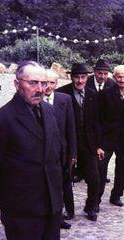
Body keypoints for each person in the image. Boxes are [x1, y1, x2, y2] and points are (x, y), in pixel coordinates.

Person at [0, 61, 63, 240]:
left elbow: (56, 151)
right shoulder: (2, 119)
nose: (40, 89)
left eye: (43, 83)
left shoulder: (49, 112)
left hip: (52, 202)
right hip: (22, 208)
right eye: (33, 83)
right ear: (17, 84)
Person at [56, 63, 103, 221]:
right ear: (71, 77)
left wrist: (98, 145)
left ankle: (91, 207)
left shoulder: (93, 94)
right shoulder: (61, 93)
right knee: (67, 179)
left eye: (83, 77)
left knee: (94, 178)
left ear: (87, 78)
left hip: (88, 144)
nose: (80, 80)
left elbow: (97, 122)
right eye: (76, 77)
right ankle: (69, 210)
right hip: (68, 144)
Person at [98, 65, 124, 207]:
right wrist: (98, 142)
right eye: (119, 76)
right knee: (101, 169)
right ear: (114, 77)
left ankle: (116, 196)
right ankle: (95, 199)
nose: (122, 79)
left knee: (122, 168)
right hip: (107, 138)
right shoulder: (105, 94)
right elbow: (98, 119)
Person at [45, 69, 77, 229]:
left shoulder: (64, 99)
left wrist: (73, 153)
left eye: (52, 83)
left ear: (57, 84)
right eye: (45, 82)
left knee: (65, 183)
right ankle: (51, 216)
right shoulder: (36, 100)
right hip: (44, 153)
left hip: (62, 152)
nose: (48, 86)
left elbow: (71, 128)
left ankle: (68, 212)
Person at [85, 59, 115, 183]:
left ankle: (101, 173)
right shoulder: (86, 82)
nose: (102, 76)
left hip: (105, 121)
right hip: (88, 118)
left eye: (105, 74)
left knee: (104, 150)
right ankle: (83, 172)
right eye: (100, 73)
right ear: (95, 72)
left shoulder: (112, 84)